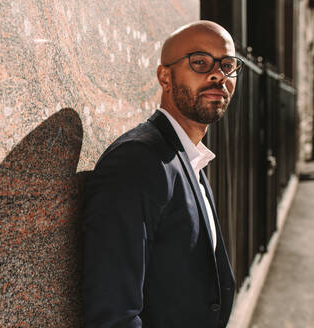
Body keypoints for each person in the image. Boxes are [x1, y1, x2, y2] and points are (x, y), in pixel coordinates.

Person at [82, 20, 243, 328]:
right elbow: (115, 316)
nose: (217, 75)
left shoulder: (186, 156)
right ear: (164, 76)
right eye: (199, 62)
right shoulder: (137, 161)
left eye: (227, 65)